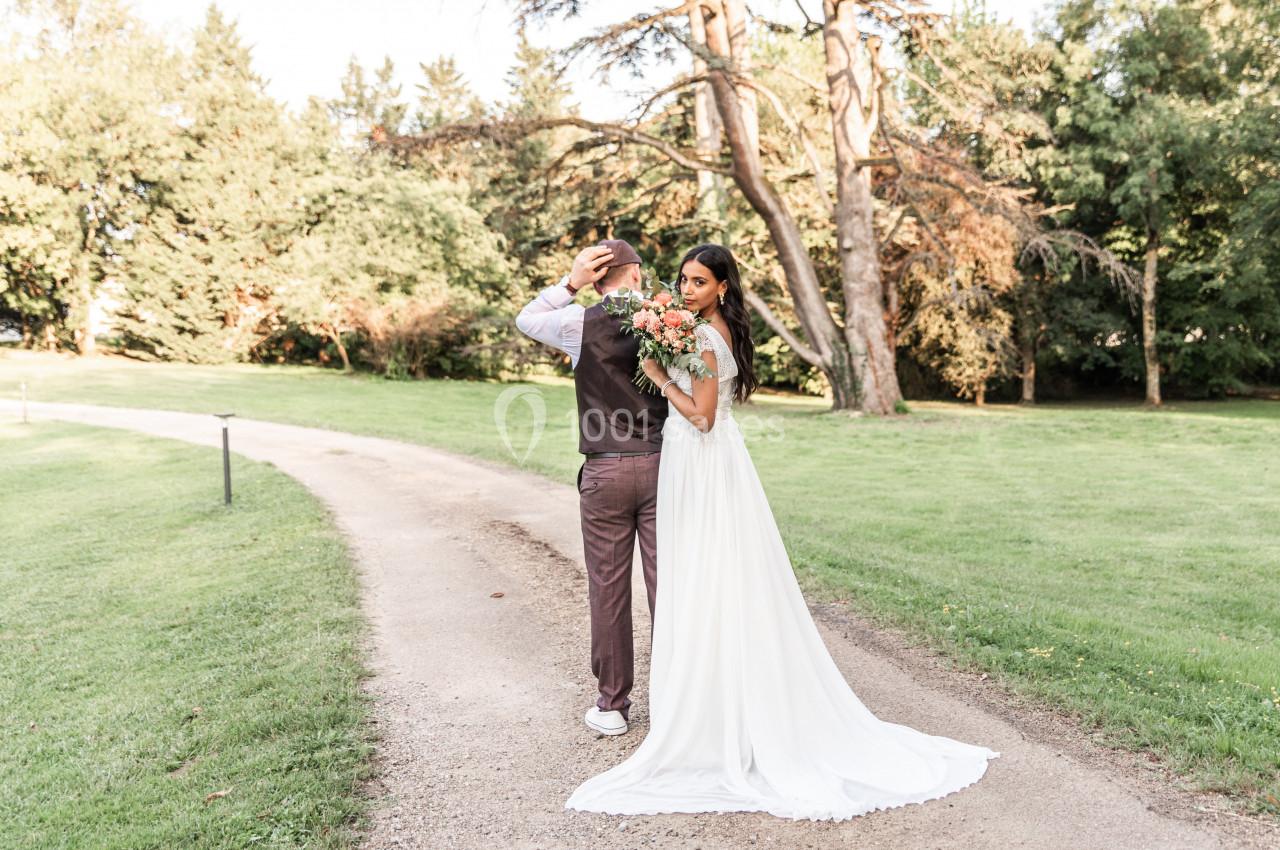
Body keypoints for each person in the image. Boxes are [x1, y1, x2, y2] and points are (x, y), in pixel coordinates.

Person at [564, 244, 1001, 821]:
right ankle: (706, 691)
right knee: (701, 577)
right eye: (682, 280)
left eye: (698, 282)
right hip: (695, 463)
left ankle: (710, 705)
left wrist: (655, 377)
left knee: (700, 575)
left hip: (700, 458)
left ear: (722, 287)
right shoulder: (701, 327)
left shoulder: (701, 336)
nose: (686, 289)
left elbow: (701, 416)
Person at [515, 239, 669, 737]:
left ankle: (612, 705)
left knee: (608, 587)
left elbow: (526, 319)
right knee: (669, 585)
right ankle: (677, 701)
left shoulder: (577, 323)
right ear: (637, 275)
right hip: (662, 465)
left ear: (596, 278)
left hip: (604, 470)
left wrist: (569, 282)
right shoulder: (669, 322)